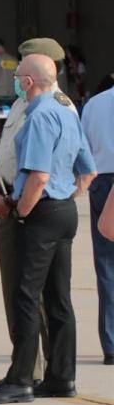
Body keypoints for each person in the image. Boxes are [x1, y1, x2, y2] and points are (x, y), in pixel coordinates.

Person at [0, 54, 97, 404]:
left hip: (39, 212)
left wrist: (21, 211)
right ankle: (61, 376)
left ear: (28, 82)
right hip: (64, 211)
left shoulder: (40, 115)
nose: (14, 80)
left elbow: (38, 175)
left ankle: (22, 379)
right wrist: (62, 197)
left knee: (26, 296)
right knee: (58, 297)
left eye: (18, 76)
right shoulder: (65, 109)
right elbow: (86, 170)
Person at [0, 38, 77, 388]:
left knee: (33, 296)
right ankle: (26, 365)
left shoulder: (56, 107)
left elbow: (53, 170)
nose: (16, 72)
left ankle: (32, 371)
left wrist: (23, 208)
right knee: (18, 292)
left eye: (22, 64)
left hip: (28, 208)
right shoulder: (24, 104)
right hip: (12, 202)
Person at [81, 75, 114, 365]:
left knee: (106, 264)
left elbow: (84, 147)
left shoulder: (94, 104)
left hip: (102, 181)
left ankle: (112, 343)